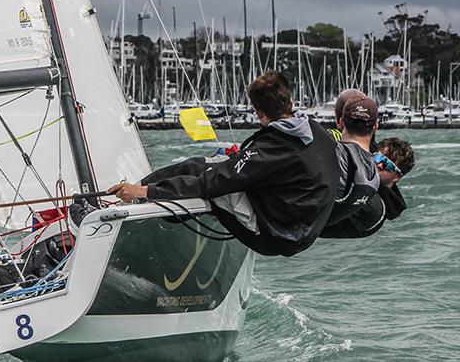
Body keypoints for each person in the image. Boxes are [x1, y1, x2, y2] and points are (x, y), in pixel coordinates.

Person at [109, 70, 339, 257]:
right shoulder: (318, 131)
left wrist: (147, 190)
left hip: (274, 236)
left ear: (259, 114)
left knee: (199, 172)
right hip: (301, 230)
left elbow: (213, 183)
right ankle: (136, 201)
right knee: (210, 166)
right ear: (292, 102)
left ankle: (126, 207)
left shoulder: (273, 148)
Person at [321, 136, 414, 238]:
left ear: (397, 177)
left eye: (388, 165)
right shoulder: (367, 171)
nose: (379, 164)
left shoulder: (375, 208)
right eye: (379, 158)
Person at [325, 95, 381, 226]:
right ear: (375, 127)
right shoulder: (375, 177)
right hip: (320, 225)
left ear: (341, 122)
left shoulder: (333, 154)